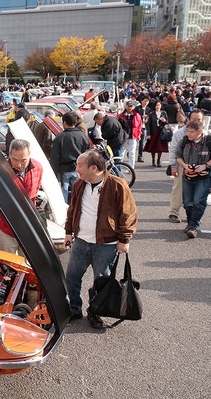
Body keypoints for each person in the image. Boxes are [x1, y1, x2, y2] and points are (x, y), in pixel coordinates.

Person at [64, 150, 137, 328]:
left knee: (102, 281)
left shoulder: (117, 185)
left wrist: (124, 239)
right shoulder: (79, 184)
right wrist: (68, 231)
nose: (76, 169)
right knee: (72, 277)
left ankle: (95, 311)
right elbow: (72, 209)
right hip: (81, 241)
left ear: (94, 168)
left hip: (106, 243)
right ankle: (74, 309)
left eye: (80, 165)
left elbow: (128, 214)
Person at [0, 139, 43, 255]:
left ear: (29, 156)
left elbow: (36, 190)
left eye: (23, 160)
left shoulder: (37, 167)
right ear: (9, 155)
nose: (19, 164)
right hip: (6, 225)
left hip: (27, 224)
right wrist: (4, 211)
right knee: (7, 262)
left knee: (26, 261)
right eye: (15, 160)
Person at [175, 120, 211, 239]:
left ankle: (193, 226)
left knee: (198, 201)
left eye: (192, 132)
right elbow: (178, 156)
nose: (189, 134)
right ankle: (191, 222)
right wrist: (185, 166)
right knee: (187, 203)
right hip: (187, 176)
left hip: (204, 177)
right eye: (188, 131)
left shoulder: (208, 141)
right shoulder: (184, 141)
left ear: (200, 132)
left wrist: (205, 165)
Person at [168, 110, 205, 224]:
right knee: (178, 189)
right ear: (188, 119)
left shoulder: (205, 133)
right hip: (181, 164)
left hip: (199, 166)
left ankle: (194, 216)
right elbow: (173, 150)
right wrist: (173, 166)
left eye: (199, 119)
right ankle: (174, 213)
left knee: (198, 191)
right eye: (194, 119)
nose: (197, 121)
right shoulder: (180, 133)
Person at [50, 112, 91, 203]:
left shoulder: (60, 138)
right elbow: (88, 153)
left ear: (64, 123)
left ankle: (64, 210)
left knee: (63, 191)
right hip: (79, 168)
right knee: (77, 191)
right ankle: (77, 208)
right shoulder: (83, 136)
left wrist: (53, 172)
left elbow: (55, 157)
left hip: (64, 169)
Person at [143, 100, 169, 167]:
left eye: (159, 105)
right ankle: (153, 160)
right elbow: (148, 124)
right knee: (153, 147)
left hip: (161, 131)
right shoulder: (151, 114)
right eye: (156, 105)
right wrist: (148, 134)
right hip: (153, 132)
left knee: (160, 147)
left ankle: (158, 160)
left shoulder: (164, 113)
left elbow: (167, 123)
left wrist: (164, 121)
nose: (158, 106)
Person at [118, 100, 143, 168]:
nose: (130, 108)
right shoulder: (121, 115)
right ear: (126, 106)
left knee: (132, 153)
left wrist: (139, 134)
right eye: (128, 106)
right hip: (123, 137)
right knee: (121, 153)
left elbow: (139, 126)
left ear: (134, 107)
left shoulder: (137, 116)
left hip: (133, 137)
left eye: (131, 106)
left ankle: (131, 168)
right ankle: (119, 167)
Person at [135, 96, 151, 162]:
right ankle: (130, 152)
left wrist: (147, 118)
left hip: (144, 127)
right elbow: (135, 117)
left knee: (142, 143)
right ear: (141, 101)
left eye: (147, 101)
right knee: (135, 142)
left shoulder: (148, 109)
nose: (146, 102)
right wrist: (141, 118)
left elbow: (150, 118)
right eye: (145, 101)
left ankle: (140, 156)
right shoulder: (137, 108)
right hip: (137, 127)